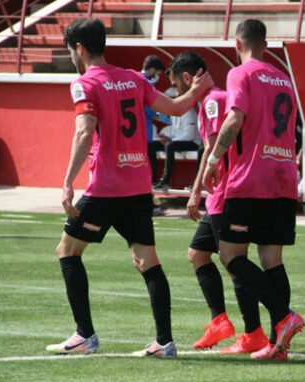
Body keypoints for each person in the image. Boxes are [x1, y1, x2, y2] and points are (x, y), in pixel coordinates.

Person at [50, 17, 212, 358]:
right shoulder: (133, 78)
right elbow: (176, 108)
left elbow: (84, 130)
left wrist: (67, 182)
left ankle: (84, 335)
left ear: (78, 48)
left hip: (106, 186)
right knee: (147, 261)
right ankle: (164, 342)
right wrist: (197, 89)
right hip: (139, 186)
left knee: (67, 252)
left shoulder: (84, 84)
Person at [202, 18, 305, 361]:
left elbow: (234, 119)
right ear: (265, 43)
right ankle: (279, 345)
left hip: (251, 177)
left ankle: (283, 318)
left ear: (237, 43)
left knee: (232, 256)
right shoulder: (285, 79)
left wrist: (215, 158)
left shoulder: (240, 73)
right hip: (284, 175)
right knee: (272, 260)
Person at [161, 51, 267, 353]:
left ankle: (254, 332)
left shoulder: (211, 101)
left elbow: (210, 150)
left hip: (224, 193)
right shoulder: (220, 97)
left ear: (186, 78)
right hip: (220, 193)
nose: (177, 93)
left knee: (233, 262)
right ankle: (221, 321)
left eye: (176, 85)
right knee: (197, 254)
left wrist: (195, 192)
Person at [152, 83, 202, 190]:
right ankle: (152, 180)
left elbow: (189, 135)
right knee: (153, 145)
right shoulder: (173, 112)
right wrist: (165, 138)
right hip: (179, 141)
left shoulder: (187, 111)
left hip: (193, 143)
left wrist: (170, 141)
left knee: (170, 146)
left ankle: (166, 181)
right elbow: (176, 131)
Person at [140, 55, 165, 146]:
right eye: (158, 74)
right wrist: (165, 119)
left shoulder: (131, 79)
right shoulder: (148, 84)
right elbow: (151, 110)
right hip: (144, 131)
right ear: (153, 70)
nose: (157, 77)